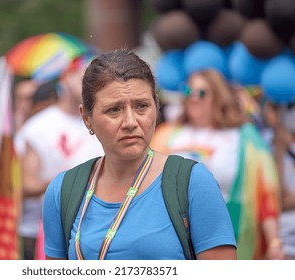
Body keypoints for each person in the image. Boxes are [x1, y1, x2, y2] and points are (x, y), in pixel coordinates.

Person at [42, 49, 236, 260]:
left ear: (156, 107)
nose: (130, 122)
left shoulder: (192, 182)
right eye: (114, 110)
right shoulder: (64, 190)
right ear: (87, 118)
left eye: (141, 106)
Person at [151, 69, 285, 260]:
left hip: (228, 237)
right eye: (189, 91)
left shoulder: (244, 137)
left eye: (202, 93)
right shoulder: (165, 135)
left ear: (218, 95)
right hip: (172, 237)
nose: (194, 98)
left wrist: (274, 243)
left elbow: (266, 196)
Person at [14, 55, 104, 260]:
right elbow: (24, 185)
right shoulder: (38, 127)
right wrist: (72, 180)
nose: (88, 84)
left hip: (93, 229)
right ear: (65, 78)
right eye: (82, 77)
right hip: (42, 232)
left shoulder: (100, 122)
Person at [262, 101, 295, 259]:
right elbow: (278, 198)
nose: (269, 112)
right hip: (279, 242)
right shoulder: (261, 144)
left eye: (276, 108)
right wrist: (279, 151)